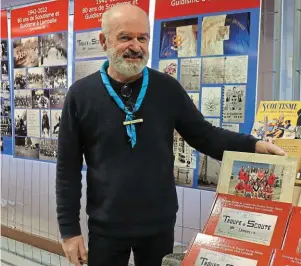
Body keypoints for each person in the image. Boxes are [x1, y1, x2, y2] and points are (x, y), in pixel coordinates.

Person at [56, 4, 286, 266]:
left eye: (142, 38)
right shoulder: (80, 96)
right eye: (125, 37)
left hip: (159, 226)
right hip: (106, 228)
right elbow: (67, 169)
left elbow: (205, 136)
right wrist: (69, 231)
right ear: (103, 41)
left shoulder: (166, 88)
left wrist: (253, 145)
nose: (136, 46)